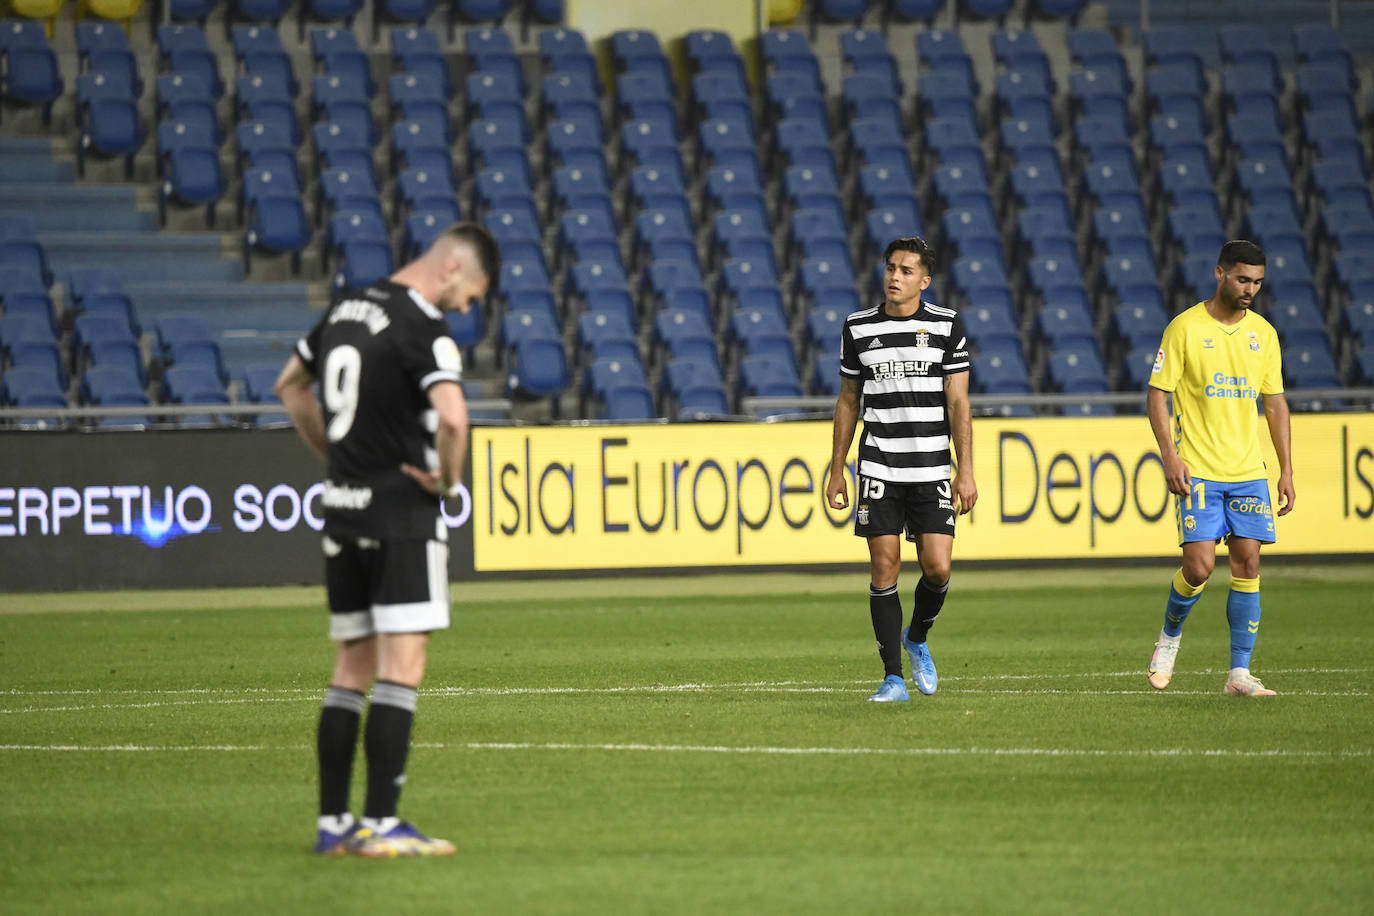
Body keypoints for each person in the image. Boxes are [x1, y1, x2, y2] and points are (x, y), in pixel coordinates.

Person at [275, 223, 500, 855]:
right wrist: (447, 483)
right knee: (403, 666)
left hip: (343, 509)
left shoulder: (346, 309)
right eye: (474, 292)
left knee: (352, 666)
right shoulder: (424, 326)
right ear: (454, 267)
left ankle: (333, 827)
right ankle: (381, 824)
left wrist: (338, 457)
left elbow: (290, 385)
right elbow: (454, 419)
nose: (468, 307)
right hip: (402, 515)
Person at [825, 236, 977, 702]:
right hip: (880, 466)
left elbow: (958, 402)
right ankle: (893, 678)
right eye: (891, 267)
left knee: (936, 568)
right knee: (884, 566)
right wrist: (837, 468)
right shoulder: (858, 328)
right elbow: (849, 400)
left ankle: (917, 637)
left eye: (907, 270)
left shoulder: (947, 325)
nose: (895, 276)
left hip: (931, 467)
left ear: (924, 281)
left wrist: (965, 469)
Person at [1145, 239, 1295, 697]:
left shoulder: (1264, 334)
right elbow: (1157, 395)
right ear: (1220, 273)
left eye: (1257, 282)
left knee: (1248, 560)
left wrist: (1286, 469)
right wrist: (1170, 456)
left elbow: (1275, 405)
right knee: (1200, 566)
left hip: (1248, 469)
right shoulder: (1185, 328)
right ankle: (1169, 639)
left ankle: (1239, 675)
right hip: (1200, 469)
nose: (1250, 289)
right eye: (1242, 279)